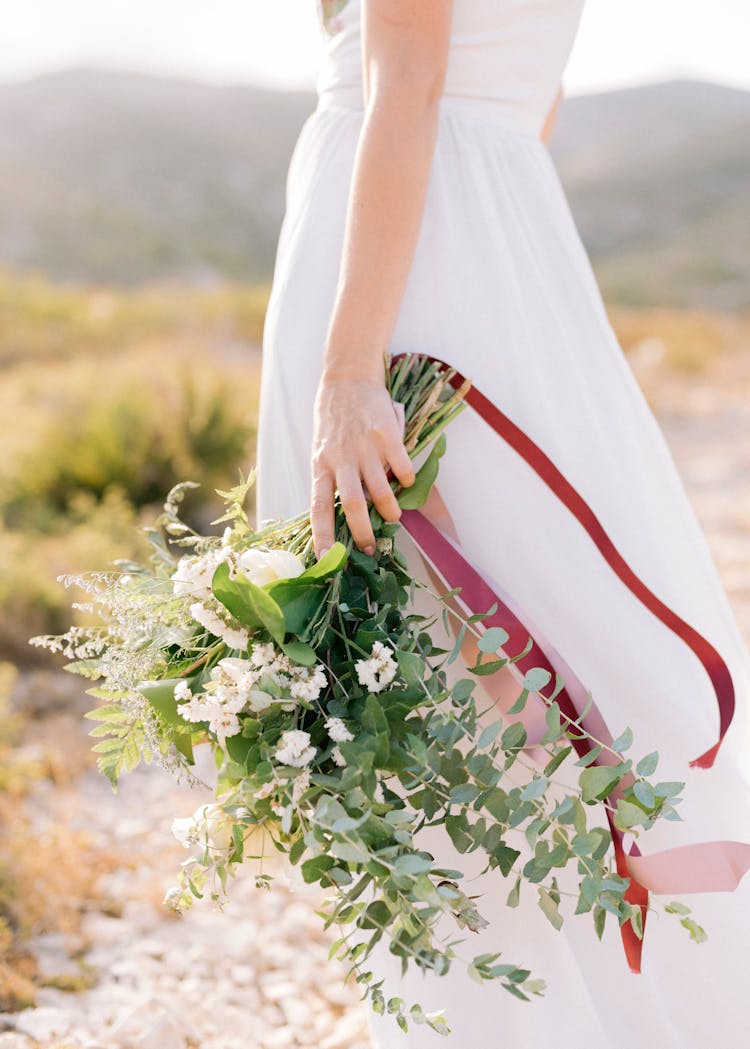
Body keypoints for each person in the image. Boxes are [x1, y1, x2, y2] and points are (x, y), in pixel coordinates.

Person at [255, 2, 750, 1045]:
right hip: (497, 237)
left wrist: (349, 368)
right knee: (519, 624)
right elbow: (533, 94)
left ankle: (498, 1011)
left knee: (426, 648)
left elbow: (407, 83)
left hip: (405, 250)